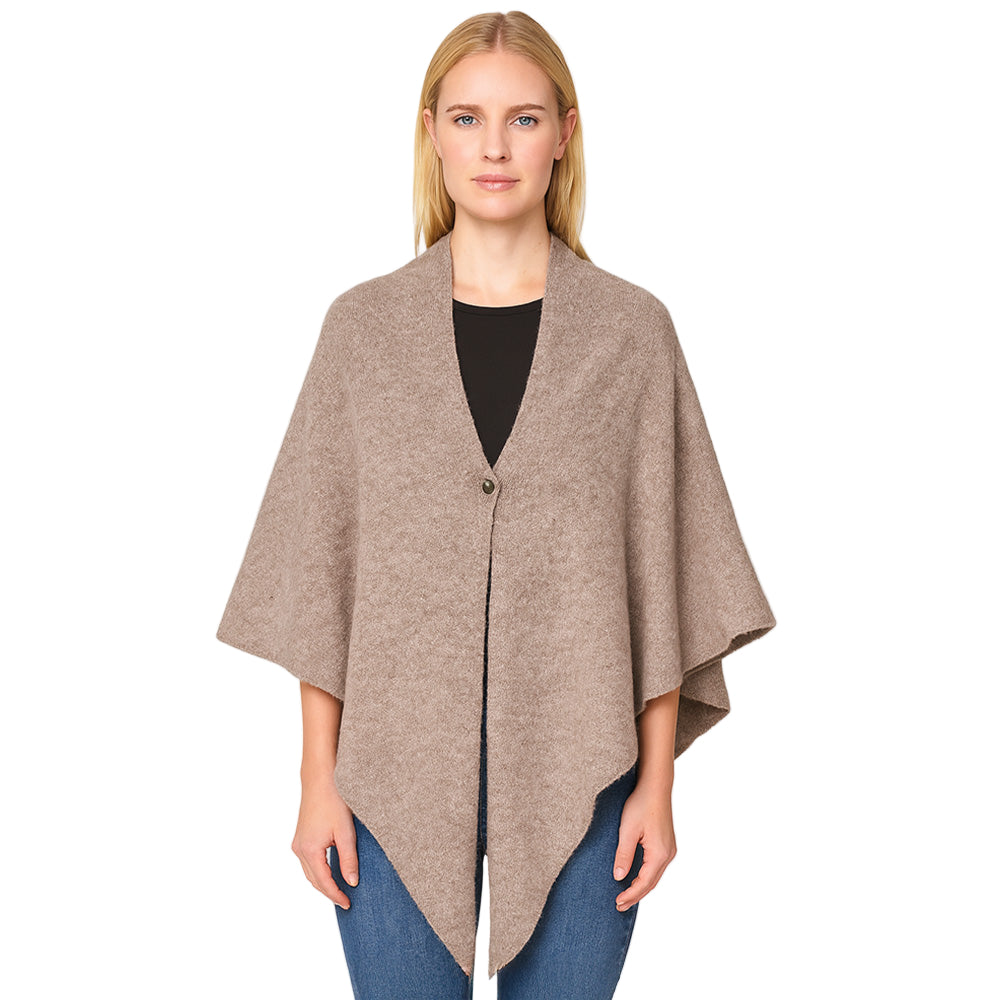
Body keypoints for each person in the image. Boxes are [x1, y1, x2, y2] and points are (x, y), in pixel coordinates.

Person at [217, 10, 776, 1000]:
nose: (494, 147)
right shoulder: (363, 332)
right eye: (467, 118)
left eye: (524, 119)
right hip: (390, 773)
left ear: (564, 133)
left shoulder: (631, 334)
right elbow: (321, 578)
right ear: (430, 131)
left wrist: (657, 784)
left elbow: (660, 574)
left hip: (583, 769)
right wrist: (315, 782)